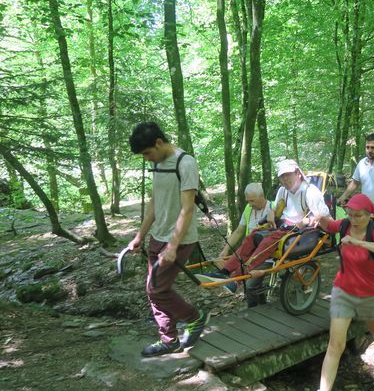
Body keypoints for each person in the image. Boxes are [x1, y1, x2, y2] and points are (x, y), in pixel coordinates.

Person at [306, 193, 374, 391]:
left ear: (370, 215)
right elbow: (329, 224)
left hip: (371, 294)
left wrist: (358, 242)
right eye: (350, 214)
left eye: (359, 215)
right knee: (335, 344)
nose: (353, 219)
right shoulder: (345, 224)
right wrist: (317, 215)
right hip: (343, 292)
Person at [127, 122, 206, 357]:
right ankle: (169, 339)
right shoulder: (159, 164)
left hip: (179, 240)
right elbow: (154, 202)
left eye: (147, 153)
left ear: (159, 143)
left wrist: (173, 245)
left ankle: (195, 317)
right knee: (153, 289)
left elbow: (188, 209)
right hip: (156, 236)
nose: (146, 159)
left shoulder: (185, 163)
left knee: (157, 290)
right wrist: (140, 235)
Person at [216, 159, 329, 297]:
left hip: (302, 232)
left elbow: (323, 215)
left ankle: (237, 280)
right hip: (284, 228)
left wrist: (306, 220)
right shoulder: (283, 191)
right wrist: (271, 214)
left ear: (298, 173)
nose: (285, 179)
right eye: (282, 176)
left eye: (288, 174)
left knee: (267, 242)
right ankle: (225, 271)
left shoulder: (310, 191)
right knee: (253, 235)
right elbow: (275, 210)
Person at [214, 183, 274, 296]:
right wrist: (225, 250)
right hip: (248, 250)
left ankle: (258, 306)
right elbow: (238, 231)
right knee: (236, 262)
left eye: (252, 201)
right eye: (248, 201)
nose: (250, 204)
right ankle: (224, 274)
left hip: (267, 254)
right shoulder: (248, 209)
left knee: (250, 283)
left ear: (262, 196)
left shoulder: (273, 208)